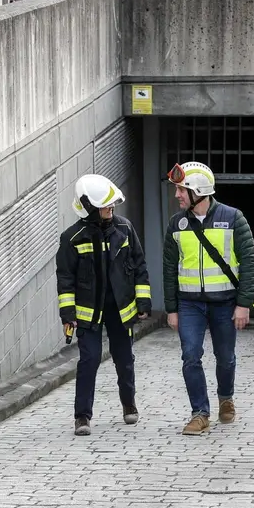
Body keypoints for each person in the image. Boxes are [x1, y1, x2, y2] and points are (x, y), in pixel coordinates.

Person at [162, 161, 254, 436]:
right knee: (190, 356)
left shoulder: (233, 218)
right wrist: (172, 309)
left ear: (197, 191)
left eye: (181, 190)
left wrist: (244, 304)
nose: (177, 195)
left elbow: (249, 262)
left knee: (225, 357)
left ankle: (225, 398)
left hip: (225, 302)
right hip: (189, 303)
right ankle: (199, 413)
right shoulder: (176, 224)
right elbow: (169, 268)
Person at [56, 174, 151, 437]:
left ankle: (129, 404)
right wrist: (68, 314)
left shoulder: (125, 229)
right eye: (106, 205)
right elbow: (65, 280)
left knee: (124, 359)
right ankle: (82, 416)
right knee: (89, 360)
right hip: (88, 312)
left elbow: (140, 267)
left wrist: (143, 301)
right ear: (90, 208)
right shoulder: (72, 238)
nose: (112, 208)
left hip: (121, 309)